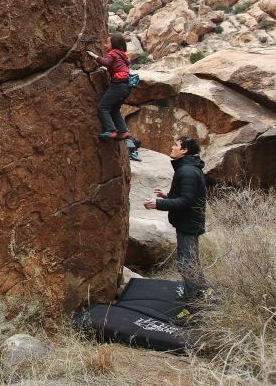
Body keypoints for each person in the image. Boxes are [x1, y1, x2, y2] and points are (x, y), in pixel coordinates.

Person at [143, 136, 208, 303]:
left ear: (184, 150)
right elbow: (189, 195)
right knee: (191, 259)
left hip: (188, 224)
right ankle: (201, 291)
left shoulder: (187, 171)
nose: (172, 147)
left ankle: (191, 300)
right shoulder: (188, 168)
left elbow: (186, 201)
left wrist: (159, 203)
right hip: (189, 222)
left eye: (176, 145)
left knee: (186, 262)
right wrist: (167, 195)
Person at [87, 33, 132, 140]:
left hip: (118, 85)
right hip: (126, 86)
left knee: (103, 107)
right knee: (115, 109)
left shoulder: (113, 53)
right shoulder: (122, 55)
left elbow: (106, 62)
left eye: (107, 43)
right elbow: (117, 67)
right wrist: (106, 70)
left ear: (114, 44)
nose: (105, 45)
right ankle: (123, 131)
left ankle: (110, 130)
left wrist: (94, 56)